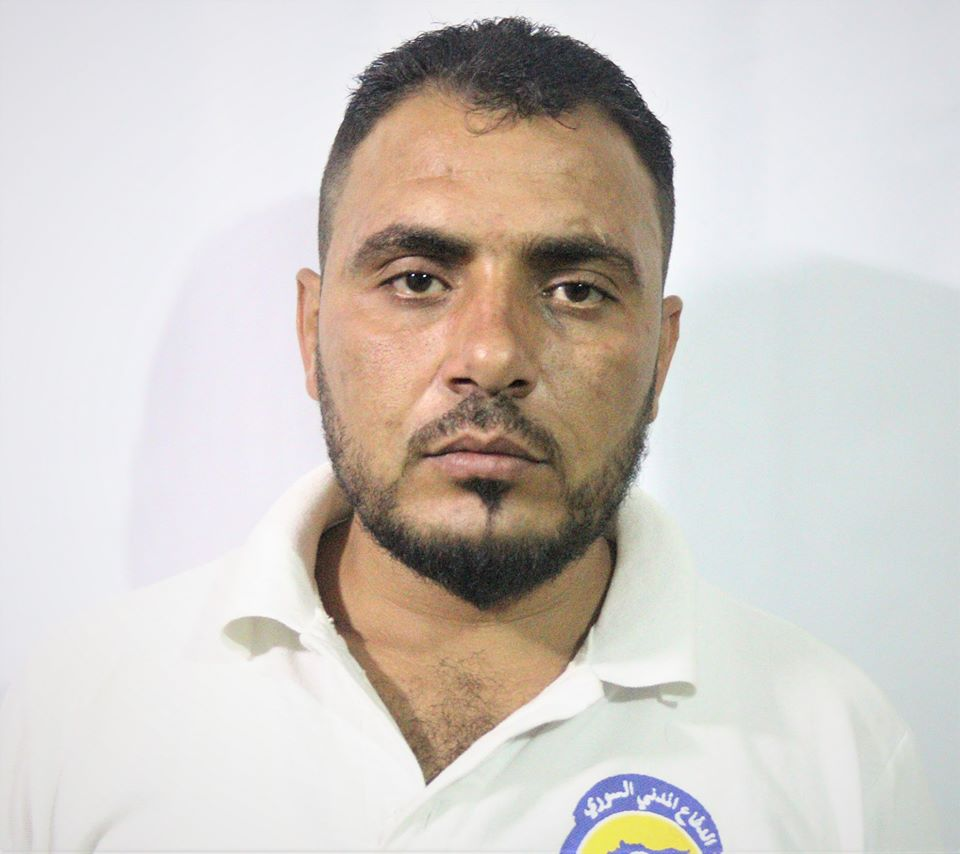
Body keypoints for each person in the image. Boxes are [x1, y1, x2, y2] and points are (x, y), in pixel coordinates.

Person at [0, 17, 944, 854]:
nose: (491, 356)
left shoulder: (837, 756)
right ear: (310, 331)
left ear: (660, 358)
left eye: (576, 290)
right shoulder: (78, 716)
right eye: (417, 279)